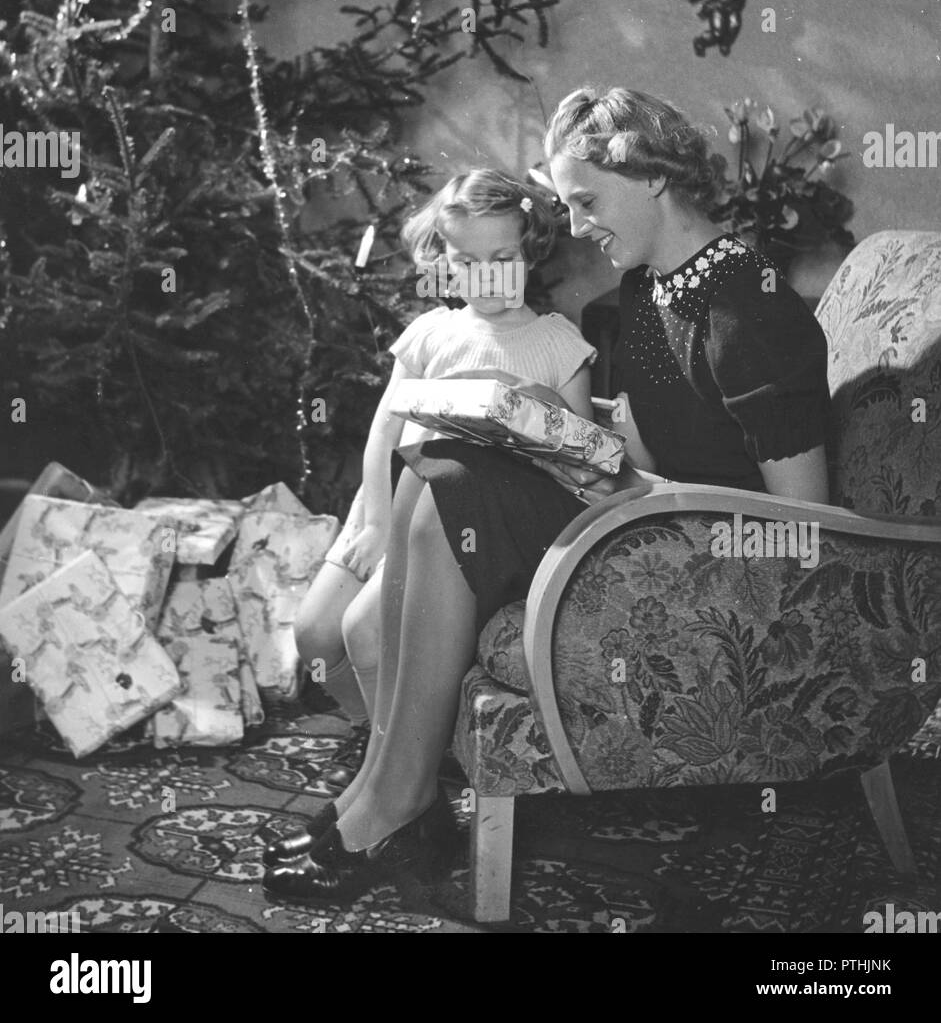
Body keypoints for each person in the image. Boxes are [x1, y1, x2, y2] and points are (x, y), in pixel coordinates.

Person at [262, 85, 831, 903]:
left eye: (586, 200)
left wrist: (632, 490)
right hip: (640, 514)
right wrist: (548, 439)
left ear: (651, 178)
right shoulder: (648, 289)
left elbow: (801, 521)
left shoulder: (748, 304)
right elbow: (632, 443)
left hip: (702, 552)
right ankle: (388, 793)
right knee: (445, 467)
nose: (573, 226)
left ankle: (395, 802)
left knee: (458, 482)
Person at [267, 166, 598, 866]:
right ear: (442, 259)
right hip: (391, 501)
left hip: (464, 518)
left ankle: (404, 786)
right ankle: (395, 761)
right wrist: (379, 526)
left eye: (501, 259)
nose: (484, 278)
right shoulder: (428, 331)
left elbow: (575, 452)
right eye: (466, 261)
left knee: (362, 631)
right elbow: (384, 437)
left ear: (530, 249)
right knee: (314, 633)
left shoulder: (557, 341)